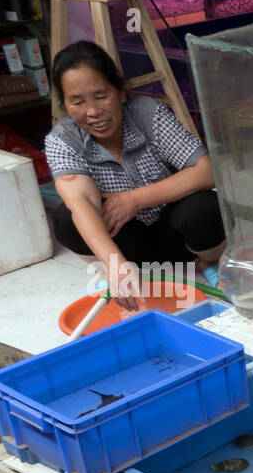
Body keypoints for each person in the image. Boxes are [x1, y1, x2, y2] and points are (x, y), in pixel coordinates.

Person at [43, 41, 225, 310]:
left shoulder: (148, 114)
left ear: (121, 92)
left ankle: (210, 263)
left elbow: (207, 170)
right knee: (66, 217)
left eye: (101, 96)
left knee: (204, 207)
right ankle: (112, 276)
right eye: (77, 102)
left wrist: (134, 200)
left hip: (174, 239)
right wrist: (115, 264)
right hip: (124, 244)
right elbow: (80, 200)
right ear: (66, 105)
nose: (92, 111)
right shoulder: (63, 141)